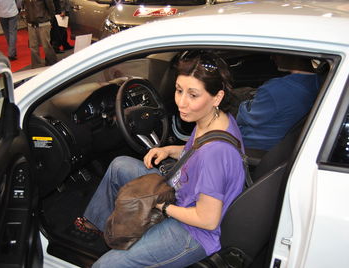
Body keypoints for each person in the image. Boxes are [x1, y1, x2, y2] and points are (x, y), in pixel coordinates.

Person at [71, 50, 246, 267]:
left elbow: (207, 220)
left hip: (193, 232)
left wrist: (162, 206)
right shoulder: (217, 119)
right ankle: (97, 226)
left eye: (193, 95)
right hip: (181, 190)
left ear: (217, 97)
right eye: (179, 90)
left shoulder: (216, 152)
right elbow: (197, 152)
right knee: (119, 166)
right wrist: (170, 150)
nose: (182, 103)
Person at [236, 55, 320, 151]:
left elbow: (244, 117)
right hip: (286, 143)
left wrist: (243, 105)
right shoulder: (319, 82)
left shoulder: (276, 88)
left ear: (294, 55)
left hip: (257, 145)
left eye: (276, 54)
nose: (272, 57)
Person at [23, 0, 57, 68]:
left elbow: (51, 7)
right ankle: (36, 66)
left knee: (46, 45)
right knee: (33, 46)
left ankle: (52, 63)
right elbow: (25, 7)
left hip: (43, 22)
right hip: (31, 23)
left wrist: (50, 20)